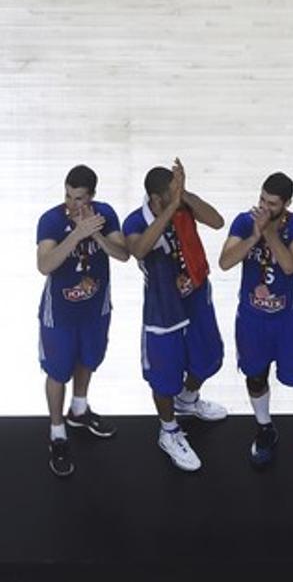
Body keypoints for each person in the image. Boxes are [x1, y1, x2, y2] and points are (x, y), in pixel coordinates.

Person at [122, 159, 227, 472]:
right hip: (163, 305)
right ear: (156, 199)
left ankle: (188, 398)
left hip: (195, 294)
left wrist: (185, 195)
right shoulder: (135, 222)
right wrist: (172, 207)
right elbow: (139, 250)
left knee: (210, 356)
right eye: (172, 193)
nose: (178, 197)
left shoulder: (182, 205)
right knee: (164, 374)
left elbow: (218, 221)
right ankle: (168, 431)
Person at [219, 172, 293, 467]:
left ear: (287, 204)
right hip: (252, 319)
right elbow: (225, 262)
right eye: (262, 199)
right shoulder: (243, 221)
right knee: (255, 376)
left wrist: (270, 233)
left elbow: (290, 266)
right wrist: (254, 235)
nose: (264, 207)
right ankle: (264, 428)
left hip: (289, 319)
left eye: (272, 203)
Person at [36, 165, 129, 477]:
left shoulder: (105, 215)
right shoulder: (51, 220)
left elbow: (123, 254)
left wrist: (96, 233)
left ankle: (79, 409)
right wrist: (76, 233)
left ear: (92, 196)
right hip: (60, 314)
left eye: (78, 198)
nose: (71, 204)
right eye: (67, 195)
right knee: (57, 371)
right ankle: (57, 431)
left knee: (88, 359)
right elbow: (45, 264)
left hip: (95, 309)